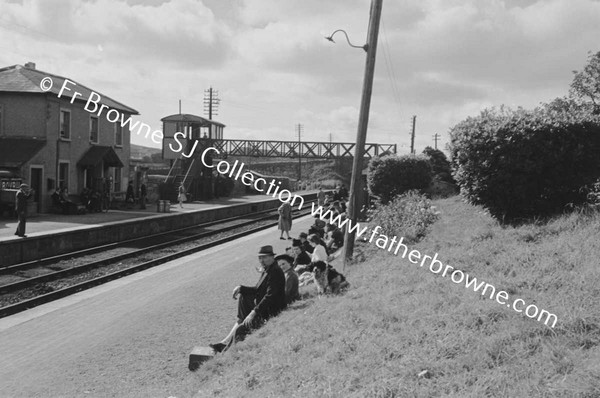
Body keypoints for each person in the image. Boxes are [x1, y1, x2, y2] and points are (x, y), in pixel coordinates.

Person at [209, 245, 287, 353]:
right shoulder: (268, 269)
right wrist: (241, 288)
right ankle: (225, 341)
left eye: (264, 257)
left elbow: (271, 296)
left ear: (272, 257)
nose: (261, 260)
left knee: (243, 328)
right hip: (265, 306)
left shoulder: (275, 272)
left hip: (272, 311)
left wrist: (254, 312)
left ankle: (227, 349)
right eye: (260, 258)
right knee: (243, 296)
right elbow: (257, 289)